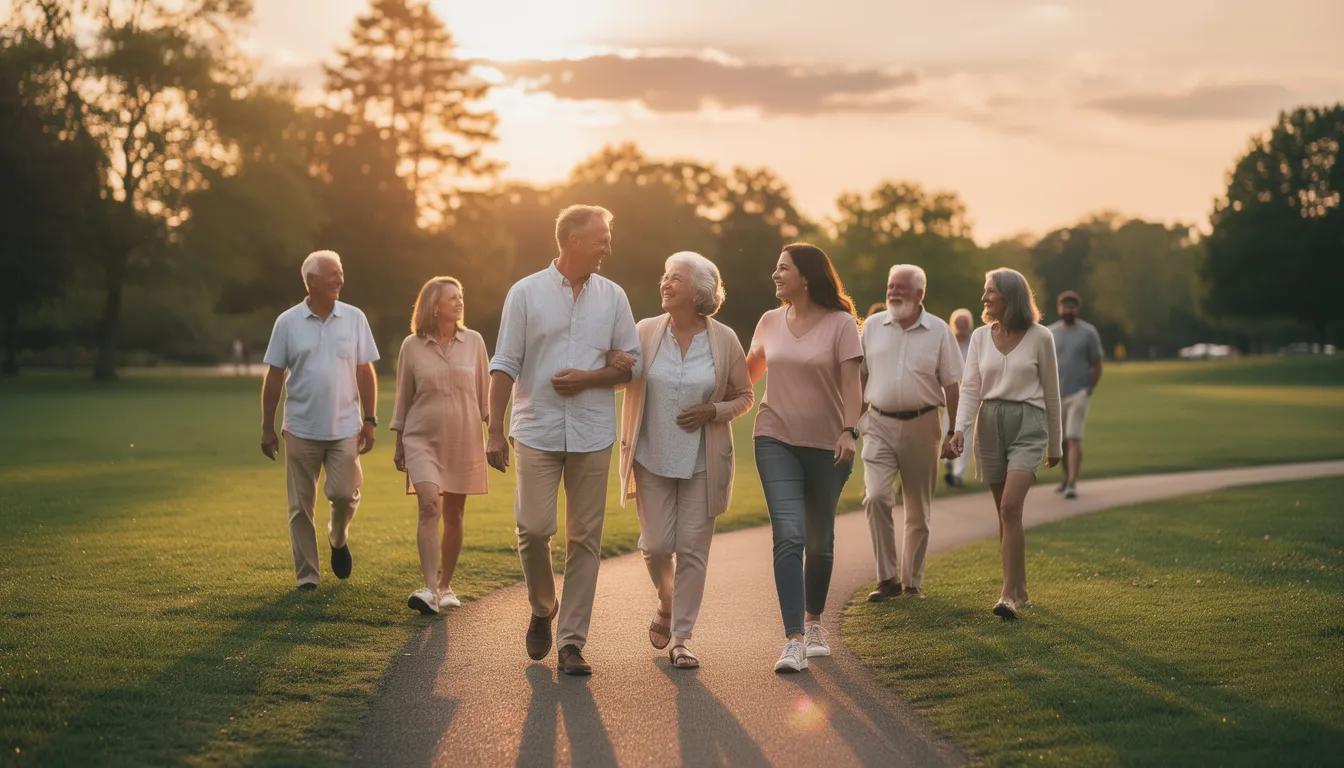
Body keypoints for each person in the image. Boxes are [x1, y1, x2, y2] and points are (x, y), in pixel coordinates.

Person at [486, 204, 642, 676]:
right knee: (533, 529)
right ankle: (541, 607)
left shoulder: (613, 297)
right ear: (572, 239)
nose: (608, 248)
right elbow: (505, 363)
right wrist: (493, 428)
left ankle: (572, 643)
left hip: (593, 433)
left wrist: (591, 377)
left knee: (585, 540)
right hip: (536, 426)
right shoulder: (526, 293)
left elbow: (629, 362)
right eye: (601, 239)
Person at [617, 252, 754, 669]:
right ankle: (666, 600)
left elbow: (744, 396)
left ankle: (681, 638)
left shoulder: (724, 339)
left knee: (693, 550)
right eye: (665, 276)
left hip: (702, 461)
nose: (665, 283)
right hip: (650, 454)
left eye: (675, 278)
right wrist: (615, 366)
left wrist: (713, 411)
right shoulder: (644, 331)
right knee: (657, 546)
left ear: (698, 293)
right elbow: (622, 376)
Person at [746, 243, 862, 673]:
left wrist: (849, 430)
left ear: (807, 276)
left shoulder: (841, 324)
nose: (775, 275)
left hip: (830, 445)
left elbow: (852, 386)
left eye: (783, 269)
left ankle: (815, 622)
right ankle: (793, 637)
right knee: (789, 534)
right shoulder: (768, 321)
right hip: (774, 437)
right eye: (775, 268)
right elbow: (746, 374)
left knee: (821, 542)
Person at [260, 250, 379, 590]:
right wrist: (268, 428)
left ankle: (338, 538)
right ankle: (308, 578)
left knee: (344, 492)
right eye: (331, 274)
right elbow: (273, 377)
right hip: (300, 427)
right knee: (300, 506)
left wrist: (369, 419)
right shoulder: (287, 322)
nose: (339, 280)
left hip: (344, 427)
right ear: (311, 281)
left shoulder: (355, 318)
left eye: (340, 273)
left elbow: (364, 370)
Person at [949, 268, 1061, 620]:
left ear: (1010, 296)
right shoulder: (981, 337)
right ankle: (1022, 590)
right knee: (1005, 513)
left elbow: (1053, 394)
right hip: (990, 423)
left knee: (1011, 508)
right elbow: (970, 389)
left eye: (990, 292)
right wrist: (959, 430)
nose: (983, 298)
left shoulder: (1041, 337)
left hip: (1029, 423)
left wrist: (1054, 445)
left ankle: (1007, 595)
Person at [860, 265, 962, 602]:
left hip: (923, 424)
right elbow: (859, 376)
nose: (893, 292)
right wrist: (853, 422)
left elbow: (951, 384)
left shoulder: (939, 331)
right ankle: (886, 578)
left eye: (901, 287)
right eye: (890, 286)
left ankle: (911, 582)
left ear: (919, 294)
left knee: (918, 509)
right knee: (876, 497)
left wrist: (952, 431)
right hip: (877, 424)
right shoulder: (872, 326)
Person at [390, 277, 490, 615]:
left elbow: (484, 394)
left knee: (455, 513)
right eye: (452, 297)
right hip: (420, 438)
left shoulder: (474, 342)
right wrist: (399, 442)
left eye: (461, 296)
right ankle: (430, 590)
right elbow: (403, 397)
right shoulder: (411, 346)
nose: (460, 301)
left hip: (463, 438)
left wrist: (497, 435)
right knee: (429, 505)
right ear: (435, 305)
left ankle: (446, 585)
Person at [1048, 291, 1104, 499]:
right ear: (1059, 308)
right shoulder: (1050, 333)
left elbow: (1097, 363)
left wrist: (1089, 388)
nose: (1068, 310)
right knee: (1060, 441)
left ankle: (1072, 482)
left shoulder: (1088, 333)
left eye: (1072, 307)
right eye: (1065, 307)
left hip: (1078, 392)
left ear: (1077, 310)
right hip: (1055, 395)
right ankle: (1066, 478)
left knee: (1073, 437)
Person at [943, 308, 976, 487]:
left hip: (970, 393)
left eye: (964, 325)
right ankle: (948, 461)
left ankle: (958, 474)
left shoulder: (975, 341)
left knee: (966, 432)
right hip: (951, 393)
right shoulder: (948, 342)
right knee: (948, 427)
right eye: (958, 325)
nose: (961, 329)